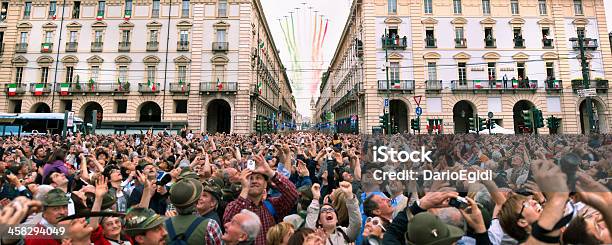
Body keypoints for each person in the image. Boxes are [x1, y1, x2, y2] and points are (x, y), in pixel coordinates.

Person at [223, 154, 299, 245]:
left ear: (265, 185)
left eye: (258, 178)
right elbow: (229, 221)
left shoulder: (272, 205)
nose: (254, 181)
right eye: (250, 178)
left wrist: (270, 172)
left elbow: (293, 194)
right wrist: (245, 189)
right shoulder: (233, 206)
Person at [165, 177, 223, 245]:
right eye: (200, 195)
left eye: (204, 196)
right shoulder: (211, 225)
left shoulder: (163, 225)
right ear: (195, 201)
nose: (200, 198)